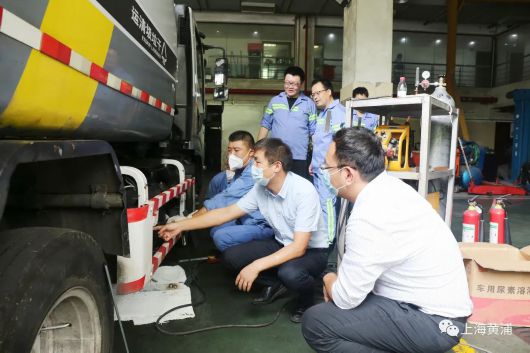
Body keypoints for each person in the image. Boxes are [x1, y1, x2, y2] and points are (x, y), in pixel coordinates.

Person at [302, 128, 473, 353]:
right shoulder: (389, 188)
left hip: (434, 323)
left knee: (317, 322)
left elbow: (345, 298)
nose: (324, 172)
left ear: (348, 174)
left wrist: (329, 277)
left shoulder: (370, 215)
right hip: (435, 310)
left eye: (327, 167)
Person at [156, 138, 328, 323]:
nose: (253, 167)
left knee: (290, 273)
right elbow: (228, 212)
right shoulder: (261, 187)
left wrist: (256, 266)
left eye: (258, 162)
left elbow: (299, 247)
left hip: (311, 251)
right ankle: (279, 284)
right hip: (281, 242)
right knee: (231, 258)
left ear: (277, 166)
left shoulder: (303, 191)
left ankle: (307, 301)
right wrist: (181, 225)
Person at [195, 130, 273, 251]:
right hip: (243, 217)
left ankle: (250, 256)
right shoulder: (238, 171)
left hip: (260, 224)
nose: (232, 155)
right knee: (216, 228)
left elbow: (226, 198)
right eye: (229, 150)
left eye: (237, 150)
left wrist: (190, 220)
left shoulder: (254, 171)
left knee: (220, 236)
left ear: (251, 152)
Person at [257, 66, 317, 180]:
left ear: (302, 84)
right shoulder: (275, 101)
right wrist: (257, 151)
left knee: (296, 190)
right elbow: (265, 125)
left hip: (299, 157)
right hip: (276, 155)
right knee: (274, 186)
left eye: (295, 84)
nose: (290, 87)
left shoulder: (309, 104)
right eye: (287, 83)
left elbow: (313, 131)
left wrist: (316, 157)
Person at [310, 78, 345, 245]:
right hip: (318, 167)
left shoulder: (336, 111)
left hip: (328, 169)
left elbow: (339, 141)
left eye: (318, 93)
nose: (315, 97)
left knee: (328, 205)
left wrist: (329, 165)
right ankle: (323, 237)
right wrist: (313, 162)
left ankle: (328, 242)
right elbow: (321, 141)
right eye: (313, 94)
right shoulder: (324, 113)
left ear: (329, 92)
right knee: (321, 204)